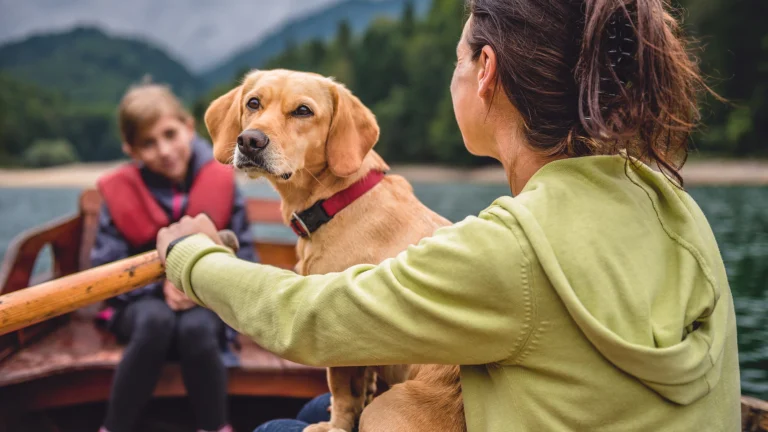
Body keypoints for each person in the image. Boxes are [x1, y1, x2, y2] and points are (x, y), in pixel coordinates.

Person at [155, 0, 741, 430]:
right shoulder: (677, 207)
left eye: (456, 60)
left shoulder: (512, 247)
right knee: (317, 412)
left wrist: (190, 255)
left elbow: (308, 321)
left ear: (485, 71)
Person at [92, 83, 256, 432]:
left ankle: (215, 427)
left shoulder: (222, 182)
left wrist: (200, 286)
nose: (164, 150)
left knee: (196, 327)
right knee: (157, 321)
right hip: (138, 308)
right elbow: (104, 270)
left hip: (207, 305)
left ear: (188, 126)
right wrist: (161, 290)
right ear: (130, 149)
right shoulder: (120, 192)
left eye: (169, 134)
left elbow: (247, 259)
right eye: (148, 144)